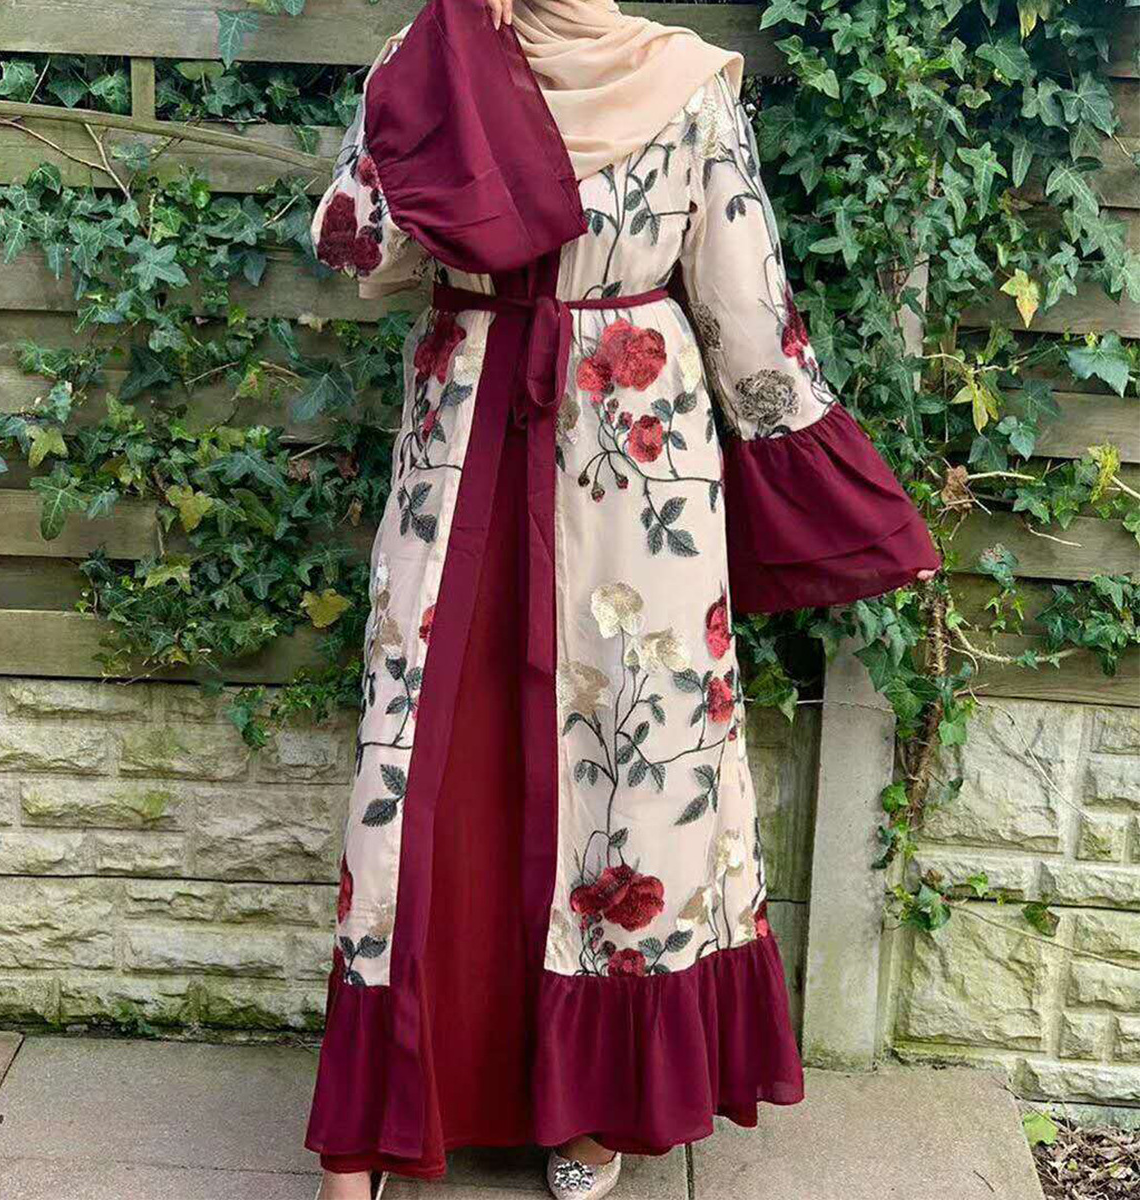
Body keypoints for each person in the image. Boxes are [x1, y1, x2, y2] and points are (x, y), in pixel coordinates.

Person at [305, 1, 939, 1197]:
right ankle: (400, 1113)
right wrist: (425, 86)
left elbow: (744, 307)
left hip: (612, 459)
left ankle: (578, 1112)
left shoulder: (678, 81)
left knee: (606, 762)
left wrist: (838, 503)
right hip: (485, 445)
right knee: (453, 754)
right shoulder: (435, 56)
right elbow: (361, 257)